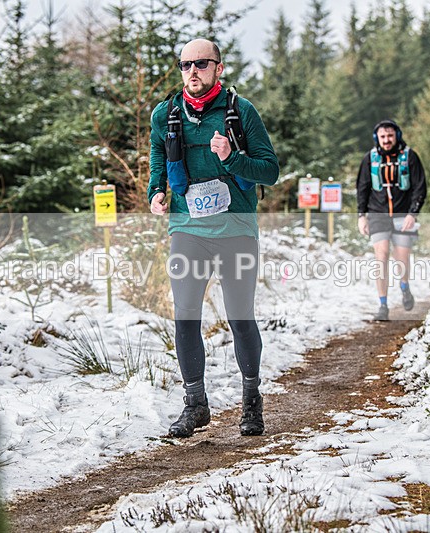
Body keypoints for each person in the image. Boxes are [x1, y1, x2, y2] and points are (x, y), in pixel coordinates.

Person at [148, 39, 279, 438]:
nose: (192, 71)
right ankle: (195, 404)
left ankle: (251, 403)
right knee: (185, 315)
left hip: (236, 231)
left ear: (218, 68)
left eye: (201, 64)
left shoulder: (242, 112)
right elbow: (158, 151)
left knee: (240, 317)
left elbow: (269, 171)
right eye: (185, 64)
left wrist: (231, 158)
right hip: (187, 230)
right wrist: (156, 189)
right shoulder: (166, 113)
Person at [356, 119, 427, 321]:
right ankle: (383, 305)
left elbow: (420, 187)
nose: (386, 140)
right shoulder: (369, 159)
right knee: (382, 256)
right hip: (377, 214)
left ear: (397, 135)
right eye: (383, 137)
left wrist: (413, 214)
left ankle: (404, 287)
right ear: (377, 138)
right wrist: (361, 216)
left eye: (390, 136)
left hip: (403, 214)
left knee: (401, 258)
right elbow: (362, 188)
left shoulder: (410, 157)